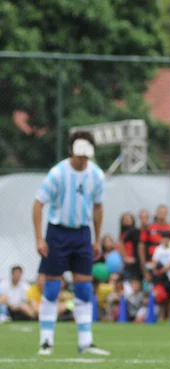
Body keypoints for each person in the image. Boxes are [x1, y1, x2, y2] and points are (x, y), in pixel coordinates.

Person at [32, 131, 109, 355]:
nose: (82, 160)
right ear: (71, 151)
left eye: (86, 156)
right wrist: (39, 238)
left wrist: (96, 238)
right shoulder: (57, 173)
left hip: (82, 234)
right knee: (53, 287)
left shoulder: (96, 175)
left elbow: (98, 206)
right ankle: (46, 341)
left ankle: (85, 342)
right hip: (57, 233)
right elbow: (38, 204)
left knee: (84, 288)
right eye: (79, 155)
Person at [139, 205, 170, 272]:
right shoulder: (149, 228)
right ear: (156, 213)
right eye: (160, 212)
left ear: (167, 214)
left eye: (164, 213)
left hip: (167, 263)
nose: (162, 214)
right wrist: (143, 264)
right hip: (151, 261)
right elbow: (141, 246)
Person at [118, 212, 142, 280]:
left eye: (129, 218)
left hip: (133, 261)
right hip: (125, 262)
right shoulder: (123, 233)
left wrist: (130, 258)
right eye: (125, 219)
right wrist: (125, 257)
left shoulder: (135, 231)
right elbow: (120, 244)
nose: (127, 220)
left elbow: (138, 247)